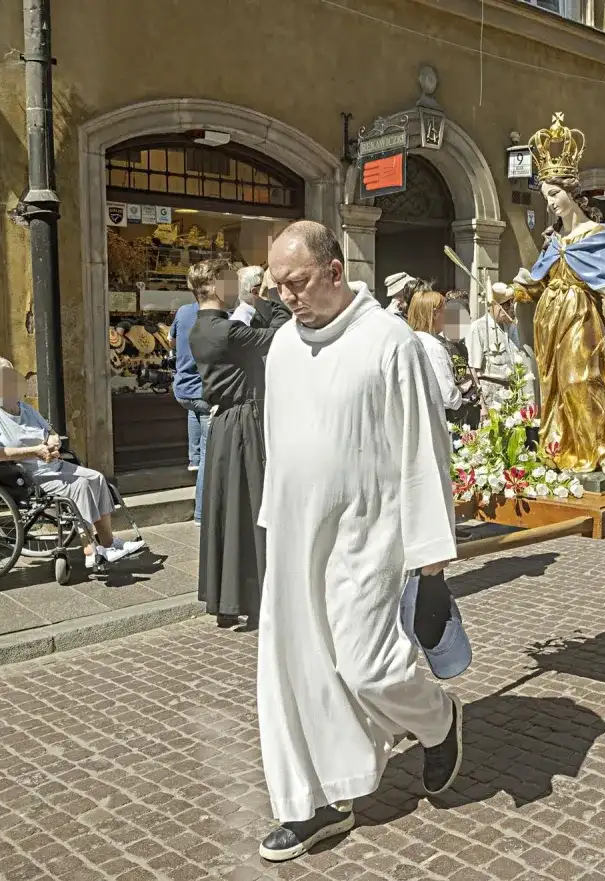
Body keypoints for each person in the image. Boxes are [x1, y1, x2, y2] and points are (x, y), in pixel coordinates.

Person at [257, 220, 461, 862]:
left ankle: (439, 720)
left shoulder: (388, 341)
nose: (286, 296)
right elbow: (279, 441)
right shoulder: (282, 346)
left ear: (335, 271)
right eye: (277, 285)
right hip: (294, 535)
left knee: (367, 665)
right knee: (294, 671)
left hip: (369, 535)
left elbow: (424, 449)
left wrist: (431, 564)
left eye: (297, 282)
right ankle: (315, 803)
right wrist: (272, 517)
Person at [490, 113, 605, 474]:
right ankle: (562, 449)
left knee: (581, 379)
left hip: (581, 318)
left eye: (555, 194)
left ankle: (603, 450)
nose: (551, 203)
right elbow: (537, 281)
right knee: (555, 386)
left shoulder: (598, 235)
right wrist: (508, 292)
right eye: (546, 196)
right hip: (551, 324)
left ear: (572, 193)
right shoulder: (554, 241)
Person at [0, 357, 144, 568]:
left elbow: (51, 432)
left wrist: (53, 442)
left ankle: (108, 542)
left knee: (96, 478)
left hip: (50, 463)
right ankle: (90, 548)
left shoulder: (24, 408)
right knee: (80, 485)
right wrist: (33, 451)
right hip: (22, 474)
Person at [187, 259, 287, 630]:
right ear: (214, 286)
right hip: (243, 422)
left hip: (225, 425)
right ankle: (254, 597)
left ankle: (228, 600)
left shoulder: (198, 327)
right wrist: (266, 297)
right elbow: (279, 332)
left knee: (229, 512)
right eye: (230, 281)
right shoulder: (226, 331)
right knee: (251, 507)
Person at [170, 296, 209, 525]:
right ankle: (201, 513)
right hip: (203, 391)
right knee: (209, 457)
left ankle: (192, 457)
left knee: (193, 410)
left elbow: (171, 341)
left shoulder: (183, 311)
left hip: (183, 389)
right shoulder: (220, 314)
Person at [466, 283, 537, 407]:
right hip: (491, 396)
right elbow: (472, 369)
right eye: (505, 305)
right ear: (493, 305)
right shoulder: (478, 328)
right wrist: (481, 405)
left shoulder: (511, 327)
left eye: (510, 303)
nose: (509, 308)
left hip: (512, 393)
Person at [405, 289, 465, 416]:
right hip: (439, 419)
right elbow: (449, 398)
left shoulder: (409, 340)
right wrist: (463, 389)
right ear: (434, 314)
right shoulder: (434, 347)